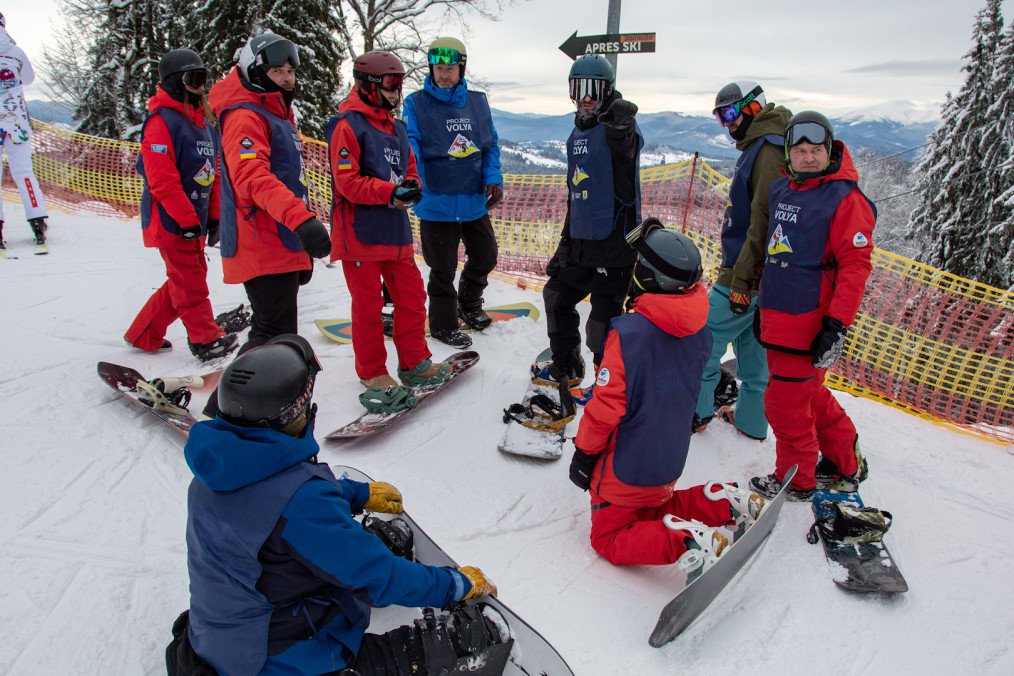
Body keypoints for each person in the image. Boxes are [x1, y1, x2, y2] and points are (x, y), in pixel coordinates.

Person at [167, 334, 501, 675]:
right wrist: (453, 586)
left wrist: (353, 494)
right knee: (422, 647)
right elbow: (377, 578)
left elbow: (268, 504)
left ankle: (345, 553)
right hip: (271, 660)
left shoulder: (217, 469)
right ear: (295, 412)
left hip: (223, 637)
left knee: (335, 553)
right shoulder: (303, 504)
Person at [568, 219, 766, 581]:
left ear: (647, 277)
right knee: (653, 507)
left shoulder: (629, 335)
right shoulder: (700, 331)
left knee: (608, 537)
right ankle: (724, 500)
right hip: (668, 458)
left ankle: (688, 543)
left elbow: (605, 409)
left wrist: (583, 453)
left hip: (627, 462)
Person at [746, 111, 876, 501]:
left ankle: (796, 479)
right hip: (777, 318)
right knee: (809, 395)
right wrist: (761, 308)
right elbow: (776, 254)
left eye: (815, 150)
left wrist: (835, 326)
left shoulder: (846, 199)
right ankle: (844, 460)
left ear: (829, 150)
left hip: (808, 325)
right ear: (788, 153)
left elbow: (855, 267)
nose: (807, 157)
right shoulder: (783, 189)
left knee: (784, 405)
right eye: (799, 150)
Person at [326, 50, 453, 413]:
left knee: (412, 299)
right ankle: (373, 374)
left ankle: (415, 364)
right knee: (368, 309)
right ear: (367, 86)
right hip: (360, 235)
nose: (396, 93)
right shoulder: (347, 125)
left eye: (399, 84)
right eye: (390, 85)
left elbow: (409, 168)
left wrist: (411, 185)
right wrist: (390, 192)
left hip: (395, 232)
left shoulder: (395, 127)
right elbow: (347, 183)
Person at [207, 32, 331, 353]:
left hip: (280, 239)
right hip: (262, 242)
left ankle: (252, 395)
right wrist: (301, 221)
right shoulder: (245, 115)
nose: (287, 79)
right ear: (256, 71)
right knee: (275, 335)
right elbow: (252, 177)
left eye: (291, 72)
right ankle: (246, 399)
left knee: (270, 330)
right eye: (278, 72)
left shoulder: (276, 114)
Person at [123, 49, 238, 362]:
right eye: (193, 79)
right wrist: (186, 218)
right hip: (170, 219)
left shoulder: (203, 123)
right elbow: (161, 180)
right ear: (175, 82)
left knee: (186, 276)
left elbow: (211, 174)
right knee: (190, 279)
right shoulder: (162, 121)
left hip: (193, 218)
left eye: (203, 79)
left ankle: (143, 334)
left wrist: (213, 217)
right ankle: (204, 338)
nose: (200, 87)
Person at [693, 82, 792, 440]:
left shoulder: (767, 150)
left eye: (731, 113)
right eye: (720, 117)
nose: (727, 124)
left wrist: (741, 280)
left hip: (744, 271)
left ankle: (696, 412)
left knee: (702, 340)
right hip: (762, 275)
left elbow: (762, 220)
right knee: (753, 346)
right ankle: (751, 422)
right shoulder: (766, 145)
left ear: (753, 108)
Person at [537, 54, 643, 388]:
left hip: (615, 244)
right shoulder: (576, 135)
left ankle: (608, 383)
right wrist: (565, 245)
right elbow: (576, 196)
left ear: (608, 90)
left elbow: (626, 145)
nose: (585, 97)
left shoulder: (616, 126)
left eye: (593, 89)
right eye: (578, 88)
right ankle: (567, 365)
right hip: (583, 242)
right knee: (556, 296)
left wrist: (622, 128)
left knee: (602, 324)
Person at [403, 36, 504, 349]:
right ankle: (443, 324)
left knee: (486, 255)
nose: (443, 73)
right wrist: (413, 179)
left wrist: (494, 178)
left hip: (473, 201)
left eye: (450, 67)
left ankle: (469, 304)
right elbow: (411, 145)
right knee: (442, 268)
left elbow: (490, 147)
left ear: (461, 68)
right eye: (438, 67)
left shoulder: (477, 102)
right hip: (436, 202)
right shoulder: (416, 102)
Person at [0, 11, 49, 255]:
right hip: (16, 121)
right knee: (24, 173)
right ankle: (38, 223)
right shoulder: (16, 51)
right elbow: (29, 79)